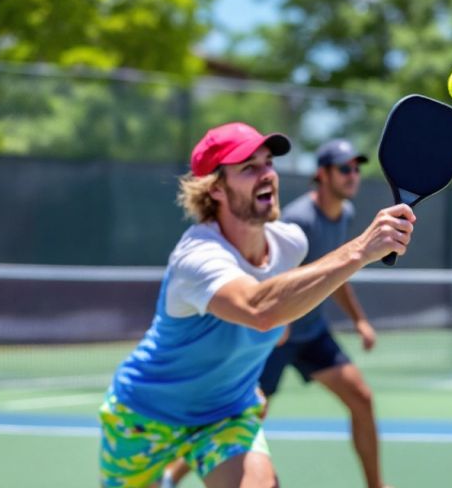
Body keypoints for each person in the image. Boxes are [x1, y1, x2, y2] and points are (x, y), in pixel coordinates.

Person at [99, 122, 415, 488]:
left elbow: (280, 311)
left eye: (268, 163)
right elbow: (259, 310)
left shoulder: (290, 244)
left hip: (226, 415)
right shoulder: (197, 256)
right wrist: (361, 249)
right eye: (249, 168)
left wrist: (250, 374)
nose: (267, 174)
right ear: (215, 188)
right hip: (144, 415)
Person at [258, 138, 386, 488]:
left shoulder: (343, 214)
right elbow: (273, 279)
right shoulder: (297, 221)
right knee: (244, 420)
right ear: (323, 175)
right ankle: (169, 477)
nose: (353, 175)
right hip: (275, 339)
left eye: (356, 168)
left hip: (312, 333)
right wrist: (275, 324)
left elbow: (337, 274)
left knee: (361, 398)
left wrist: (359, 319)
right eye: (344, 168)